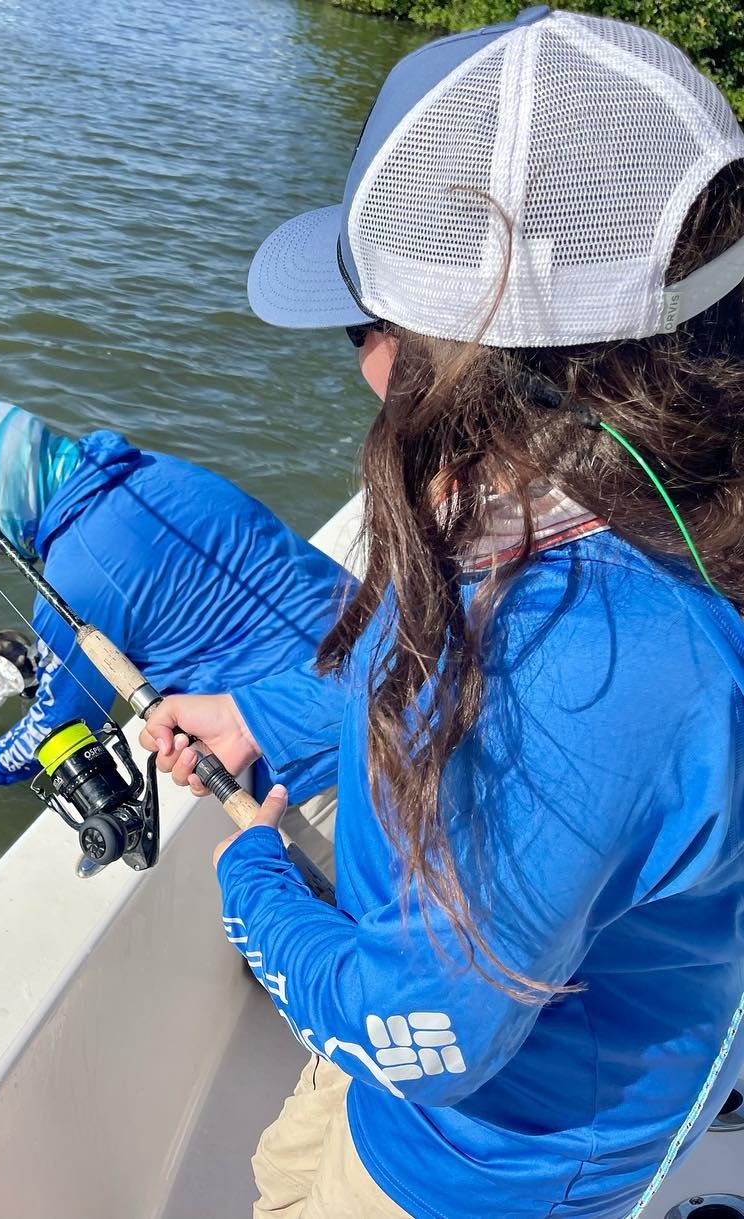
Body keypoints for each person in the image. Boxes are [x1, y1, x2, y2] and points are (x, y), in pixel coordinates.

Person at [144, 8, 744, 1218]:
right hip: (402, 1073)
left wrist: (256, 881)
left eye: (373, 327)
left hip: (482, 1173)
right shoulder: (577, 484)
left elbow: (429, 1031)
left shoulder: (586, 666)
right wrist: (261, 716)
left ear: (478, 364)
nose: (360, 364)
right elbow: (412, 648)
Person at [0, 400, 347, 792]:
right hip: (383, 655)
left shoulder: (72, 582)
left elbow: (59, 725)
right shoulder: (159, 469)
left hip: (310, 752)